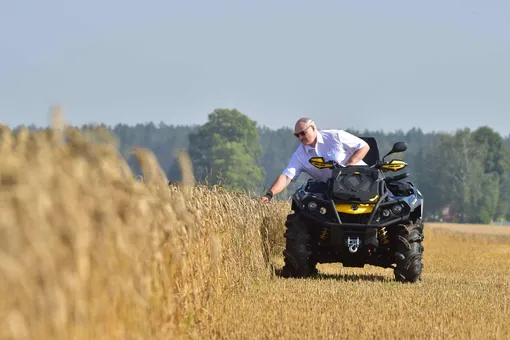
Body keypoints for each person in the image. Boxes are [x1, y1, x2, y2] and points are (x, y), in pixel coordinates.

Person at [261, 117, 370, 201]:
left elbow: (364, 146)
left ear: (313, 128)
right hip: (333, 193)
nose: (300, 138)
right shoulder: (299, 155)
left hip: (363, 184)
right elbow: (286, 177)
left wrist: (348, 167)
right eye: (297, 135)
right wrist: (269, 195)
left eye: (303, 133)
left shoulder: (335, 136)